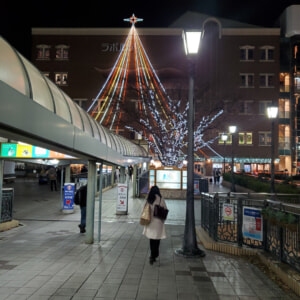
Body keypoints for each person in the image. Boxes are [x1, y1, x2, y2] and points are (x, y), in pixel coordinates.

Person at [142, 185, 168, 265]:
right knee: (157, 239)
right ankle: (154, 255)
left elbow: (143, 208)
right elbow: (165, 209)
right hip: (158, 221)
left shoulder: (149, 198)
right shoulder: (160, 199)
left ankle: (152, 255)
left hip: (150, 221)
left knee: (151, 239)